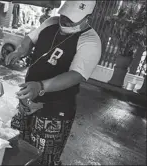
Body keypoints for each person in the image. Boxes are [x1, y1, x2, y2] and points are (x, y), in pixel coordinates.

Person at [5, 1, 101, 165]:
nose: (65, 21)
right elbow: (30, 38)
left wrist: (41, 86)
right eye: (64, 15)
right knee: (16, 144)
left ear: (87, 17)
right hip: (28, 97)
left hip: (55, 110)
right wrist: (20, 50)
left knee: (43, 157)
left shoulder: (90, 41)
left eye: (72, 19)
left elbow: (76, 75)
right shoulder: (51, 22)